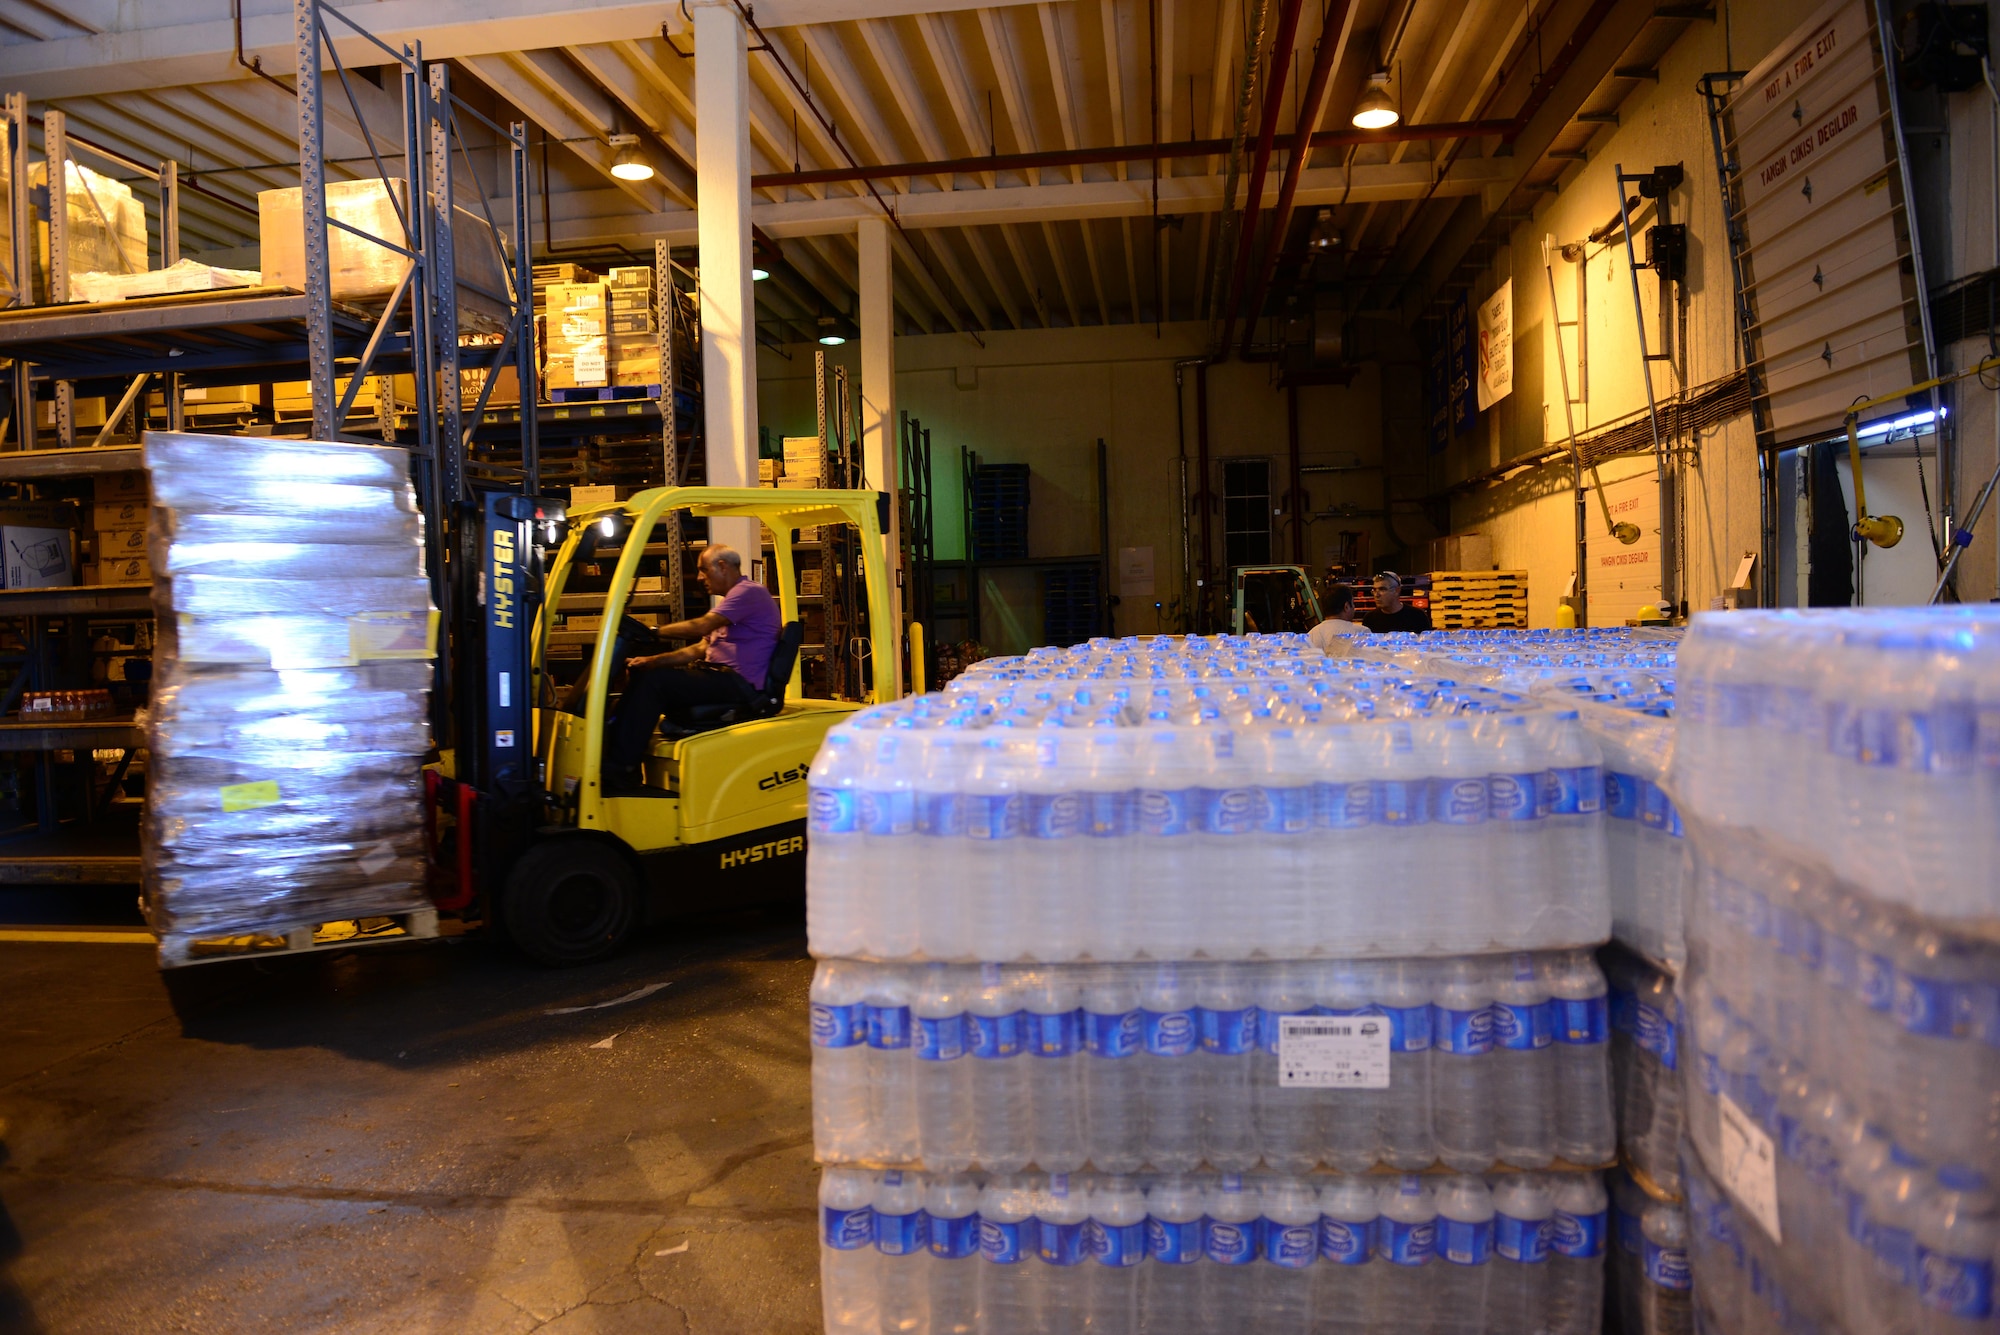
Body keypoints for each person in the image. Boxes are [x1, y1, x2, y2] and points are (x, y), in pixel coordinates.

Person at [604, 544, 780, 790]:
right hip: (719, 678)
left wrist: (653, 632)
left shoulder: (749, 593)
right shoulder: (729, 605)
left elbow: (700, 626)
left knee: (655, 683)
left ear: (722, 566)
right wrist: (651, 661)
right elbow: (697, 649)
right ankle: (617, 765)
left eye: (703, 570)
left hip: (738, 684)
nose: (699, 578)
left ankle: (619, 771)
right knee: (640, 683)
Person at [1361, 570, 1433, 634]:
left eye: (1382, 589)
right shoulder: (1370, 619)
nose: (1376, 595)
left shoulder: (1417, 616)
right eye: (1374, 590)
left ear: (1397, 591)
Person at [1307, 584, 1371, 654]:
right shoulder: (1362, 633)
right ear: (1346, 607)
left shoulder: (1311, 635)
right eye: (1353, 603)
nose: (1354, 608)